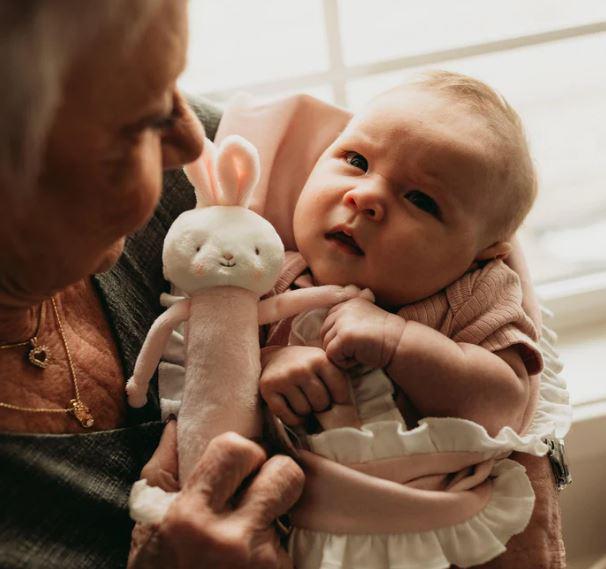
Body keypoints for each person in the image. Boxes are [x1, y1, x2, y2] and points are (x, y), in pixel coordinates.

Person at [0, 2, 302, 568]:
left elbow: (464, 202)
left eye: (174, 85)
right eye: (142, 119)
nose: (191, 140)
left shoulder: (195, 178)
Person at [254, 72, 568, 567]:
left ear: (482, 253)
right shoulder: (271, 272)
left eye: (421, 199)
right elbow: (216, 384)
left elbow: (506, 401)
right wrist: (271, 364)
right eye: (355, 161)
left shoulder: (474, 294)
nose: (366, 197)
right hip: (305, 531)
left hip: (439, 536)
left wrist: (400, 341)